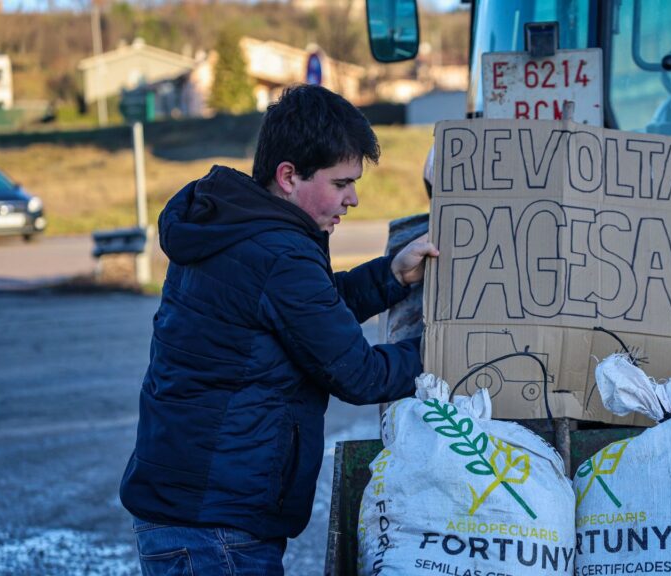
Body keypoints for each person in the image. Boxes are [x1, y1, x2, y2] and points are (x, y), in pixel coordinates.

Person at [119, 85, 438, 575]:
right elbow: (360, 373)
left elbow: (309, 313)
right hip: (214, 529)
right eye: (340, 183)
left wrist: (390, 276)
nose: (352, 199)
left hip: (195, 515)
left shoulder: (238, 227)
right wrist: (450, 350)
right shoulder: (276, 253)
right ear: (288, 176)